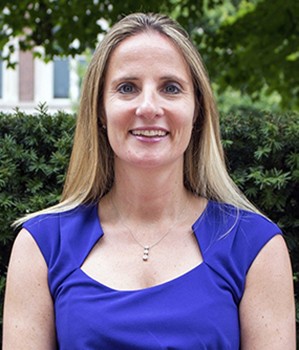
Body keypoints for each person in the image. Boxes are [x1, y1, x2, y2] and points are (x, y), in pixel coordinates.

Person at [3, 12, 295, 349]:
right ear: (100, 108)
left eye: (170, 88)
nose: (148, 106)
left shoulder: (255, 246)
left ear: (197, 108)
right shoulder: (42, 245)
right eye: (127, 88)